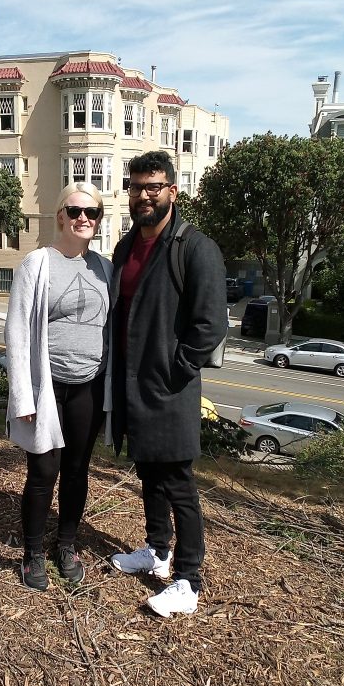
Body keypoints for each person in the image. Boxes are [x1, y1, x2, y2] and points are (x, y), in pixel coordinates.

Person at [110, 151, 227, 617]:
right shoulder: (125, 246)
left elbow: (209, 325)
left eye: (153, 186)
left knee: (178, 483)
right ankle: (156, 550)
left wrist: (172, 371)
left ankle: (188, 580)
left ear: (172, 192)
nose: (143, 195)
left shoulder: (194, 248)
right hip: (131, 386)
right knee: (148, 473)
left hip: (169, 388)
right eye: (136, 186)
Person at [5, 182, 112, 592]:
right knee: (43, 472)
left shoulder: (104, 268)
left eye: (93, 212)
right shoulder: (38, 263)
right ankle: (32, 553)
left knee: (77, 472)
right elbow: (16, 330)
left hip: (88, 387)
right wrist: (22, 396)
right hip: (47, 388)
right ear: (60, 216)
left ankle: (65, 544)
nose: (84, 218)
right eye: (76, 210)